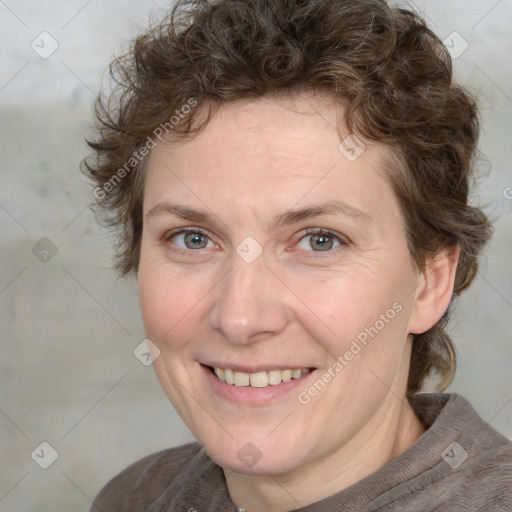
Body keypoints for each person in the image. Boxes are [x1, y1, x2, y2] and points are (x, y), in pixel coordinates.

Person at [83, 0, 512, 510]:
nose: (240, 318)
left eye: (319, 240)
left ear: (430, 282)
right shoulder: (137, 497)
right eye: (193, 238)